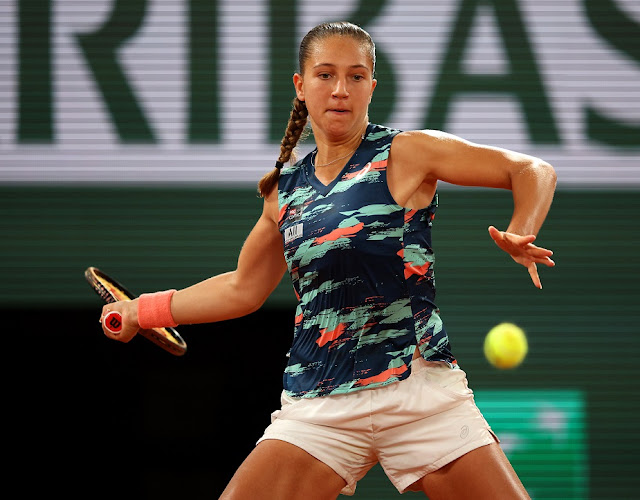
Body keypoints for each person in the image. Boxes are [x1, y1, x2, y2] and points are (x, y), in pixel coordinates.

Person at [100, 21, 556, 499]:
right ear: (301, 85)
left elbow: (530, 169)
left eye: (356, 77)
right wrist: (140, 310)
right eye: (325, 75)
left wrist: (522, 228)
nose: (341, 90)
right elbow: (242, 288)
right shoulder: (285, 191)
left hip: (419, 391)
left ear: (371, 87)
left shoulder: (408, 152)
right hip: (320, 400)